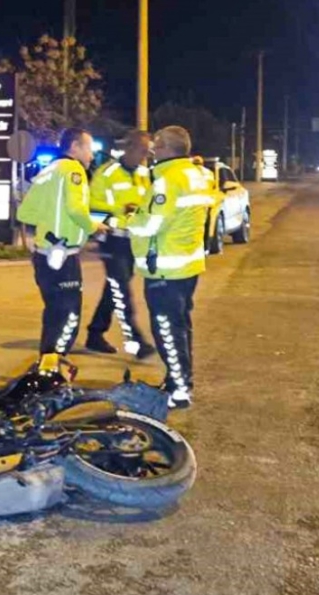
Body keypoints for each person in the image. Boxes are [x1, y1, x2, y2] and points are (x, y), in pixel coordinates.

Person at [127, 126, 215, 409]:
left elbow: (152, 223)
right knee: (180, 326)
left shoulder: (167, 181)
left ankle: (179, 390)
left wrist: (131, 219)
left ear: (165, 148)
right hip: (186, 265)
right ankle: (178, 379)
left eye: (156, 146)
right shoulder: (198, 175)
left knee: (167, 329)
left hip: (163, 267)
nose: (152, 151)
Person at [17, 127, 109, 355]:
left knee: (54, 315)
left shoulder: (49, 171)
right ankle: (53, 370)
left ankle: (47, 366)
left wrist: (51, 218)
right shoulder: (73, 171)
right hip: (63, 256)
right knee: (67, 317)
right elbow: (76, 209)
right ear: (75, 147)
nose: (91, 155)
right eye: (89, 148)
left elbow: (24, 213)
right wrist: (95, 227)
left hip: (42, 255)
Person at [84, 129, 156, 359]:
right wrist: (122, 217)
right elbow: (95, 212)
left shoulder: (146, 174)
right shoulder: (107, 174)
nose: (146, 156)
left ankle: (95, 333)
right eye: (143, 151)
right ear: (130, 148)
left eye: (148, 152)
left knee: (114, 289)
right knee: (122, 290)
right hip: (113, 241)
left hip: (135, 242)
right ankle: (136, 340)